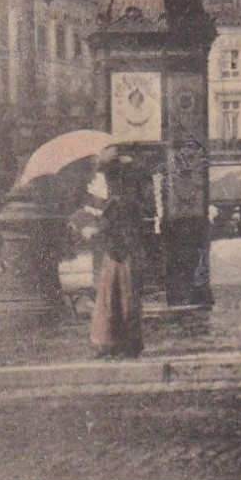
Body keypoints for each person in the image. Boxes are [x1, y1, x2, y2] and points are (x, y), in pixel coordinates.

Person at [90, 150, 145, 358]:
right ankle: (129, 342)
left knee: (114, 300)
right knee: (126, 299)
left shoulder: (116, 203)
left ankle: (114, 343)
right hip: (128, 254)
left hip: (117, 256)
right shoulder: (130, 202)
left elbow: (108, 231)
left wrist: (93, 231)